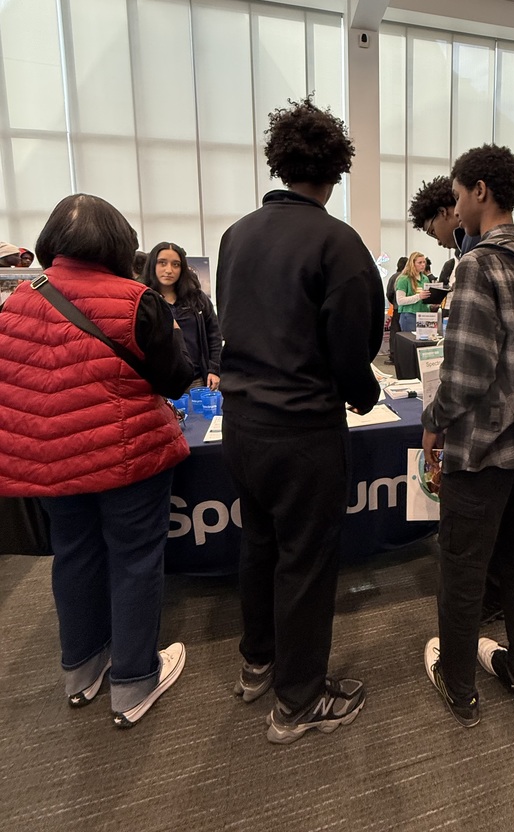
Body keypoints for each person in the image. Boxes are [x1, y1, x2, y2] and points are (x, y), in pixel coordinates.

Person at [216, 97, 383, 745]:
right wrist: (365, 394)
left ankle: (257, 659)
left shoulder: (235, 235)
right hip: (303, 431)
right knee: (306, 562)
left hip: (242, 425)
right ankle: (299, 701)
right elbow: (352, 345)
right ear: (336, 171)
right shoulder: (337, 243)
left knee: (258, 544)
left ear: (279, 161)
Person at [0, 194, 192, 727]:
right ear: (118, 242)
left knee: (74, 556)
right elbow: (176, 379)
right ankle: (134, 681)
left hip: (48, 460)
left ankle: (81, 672)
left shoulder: (17, 300)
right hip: (126, 455)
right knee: (134, 560)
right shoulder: (137, 301)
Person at [421, 143, 514, 728]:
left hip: (482, 446)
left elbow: (466, 374)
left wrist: (432, 419)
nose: (454, 206)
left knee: (463, 566)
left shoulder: (476, 265)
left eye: (456, 193)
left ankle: (460, 685)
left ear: (479, 192)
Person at [142, 242, 221, 391]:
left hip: (197, 381)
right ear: (153, 264)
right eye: (162, 263)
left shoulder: (197, 298)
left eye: (176, 264)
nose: (169, 270)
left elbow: (214, 335)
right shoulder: (144, 301)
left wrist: (214, 369)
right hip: (158, 385)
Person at [409, 175, 482, 256]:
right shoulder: (467, 245)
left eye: (433, 232)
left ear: (442, 212)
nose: (439, 242)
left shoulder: (476, 242)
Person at [394, 251, 431, 333]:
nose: (423, 265)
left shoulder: (425, 278)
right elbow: (400, 301)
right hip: (410, 314)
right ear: (412, 263)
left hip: (425, 314)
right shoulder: (403, 279)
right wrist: (419, 297)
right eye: (420, 262)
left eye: (424, 262)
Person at [385, 255, 408, 357]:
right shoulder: (408, 278)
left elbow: (389, 293)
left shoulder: (394, 277)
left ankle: (393, 354)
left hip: (396, 308)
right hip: (407, 309)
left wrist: (394, 303)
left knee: (395, 332)